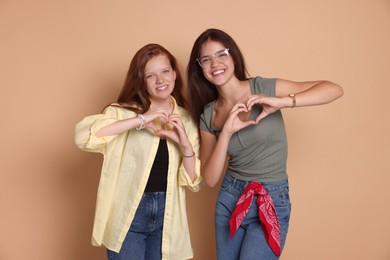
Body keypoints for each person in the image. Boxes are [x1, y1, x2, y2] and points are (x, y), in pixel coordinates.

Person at [186, 28, 344, 259]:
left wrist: (281, 102)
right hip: (231, 198)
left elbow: (334, 89)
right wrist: (227, 132)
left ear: (233, 56)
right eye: (206, 59)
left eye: (222, 55)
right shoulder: (209, 114)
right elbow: (210, 178)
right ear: (199, 67)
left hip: (271, 197)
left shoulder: (264, 88)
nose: (215, 64)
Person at [75, 43, 202, 260]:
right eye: (150, 75)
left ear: (174, 73)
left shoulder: (187, 120)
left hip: (167, 216)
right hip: (128, 214)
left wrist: (185, 145)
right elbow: (86, 137)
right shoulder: (123, 112)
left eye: (164, 72)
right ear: (141, 81)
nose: (160, 80)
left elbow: (193, 182)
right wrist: (142, 119)